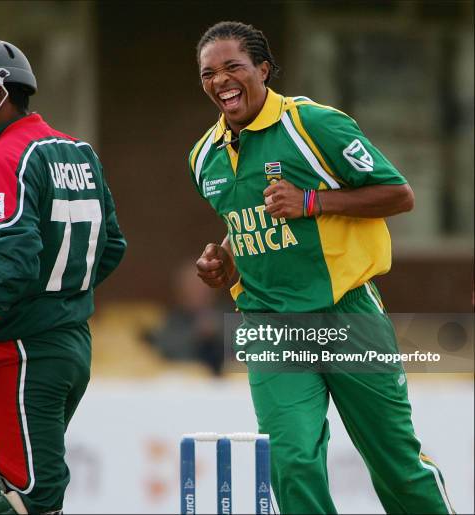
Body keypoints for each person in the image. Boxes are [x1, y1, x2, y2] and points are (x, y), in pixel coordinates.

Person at [189, 21, 454, 514]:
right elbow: (243, 219)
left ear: (263, 70)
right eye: (209, 73)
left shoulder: (313, 124)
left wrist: (312, 200)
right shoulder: (204, 156)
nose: (220, 80)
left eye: (233, 67)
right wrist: (223, 259)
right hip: (270, 323)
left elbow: (400, 195)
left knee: (394, 463)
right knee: (292, 462)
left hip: (347, 314)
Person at [0, 40, 126, 514]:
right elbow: (111, 248)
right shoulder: (79, 152)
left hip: (20, 356)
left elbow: (15, 263)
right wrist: (56, 304)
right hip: (71, 349)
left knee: (20, 502)